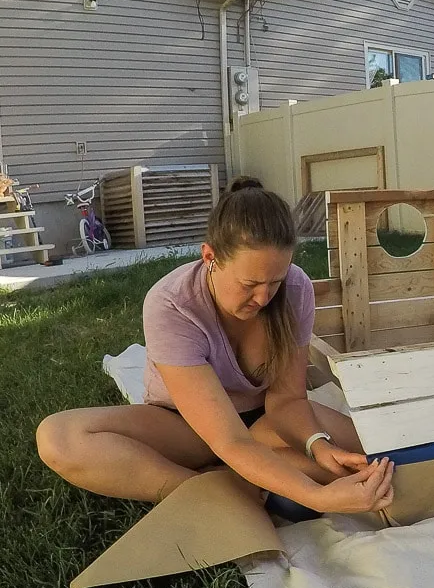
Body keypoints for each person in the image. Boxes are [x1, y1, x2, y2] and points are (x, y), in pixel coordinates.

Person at [36, 176, 394, 520]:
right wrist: (317, 495)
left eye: (275, 282)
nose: (264, 298)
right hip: (185, 428)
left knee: (372, 458)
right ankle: (204, 490)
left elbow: (287, 401)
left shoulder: (296, 288)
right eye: (250, 283)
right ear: (210, 257)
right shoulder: (171, 303)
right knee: (59, 438)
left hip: (264, 424)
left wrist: (318, 444)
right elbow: (227, 438)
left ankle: (248, 482)